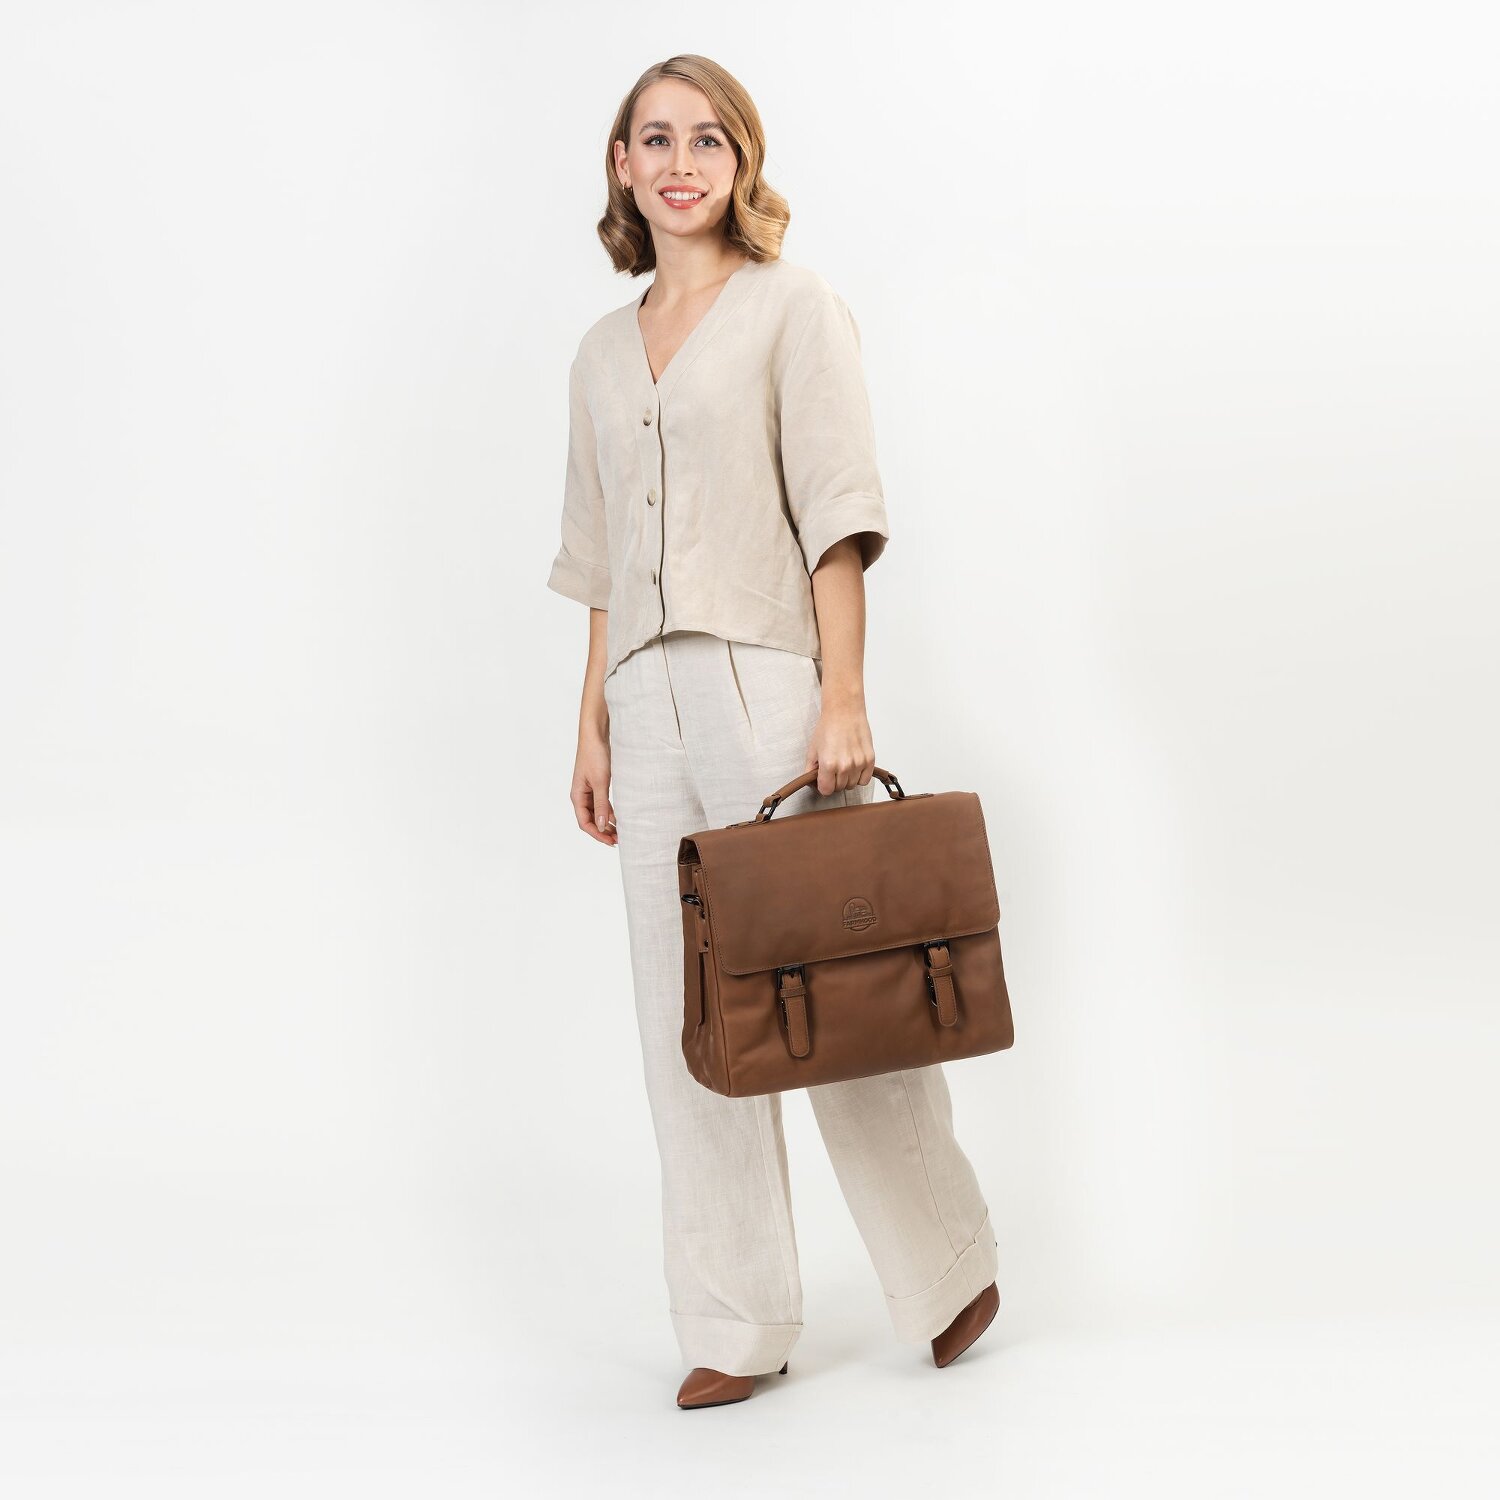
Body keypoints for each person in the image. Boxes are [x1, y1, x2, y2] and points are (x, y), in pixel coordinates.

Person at [545, 54, 1000, 1410]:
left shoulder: (795, 309)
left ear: (740, 160)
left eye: (707, 140)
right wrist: (591, 724)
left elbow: (837, 516)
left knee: (838, 988)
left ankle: (947, 1266)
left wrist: (843, 697)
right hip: (643, 700)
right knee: (688, 1016)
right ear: (622, 165)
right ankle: (735, 1321)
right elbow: (598, 560)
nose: (680, 163)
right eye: (654, 140)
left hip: (767, 684)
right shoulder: (598, 352)